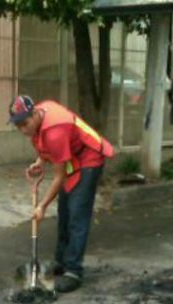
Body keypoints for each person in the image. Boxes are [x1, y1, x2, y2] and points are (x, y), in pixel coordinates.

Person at [9, 95, 115, 293]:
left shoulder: (55, 130)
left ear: (34, 114)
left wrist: (41, 206)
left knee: (77, 213)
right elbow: (44, 145)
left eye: (25, 124)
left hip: (88, 157)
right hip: (71, 158)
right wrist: (40, 162)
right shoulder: (40, 114)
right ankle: (61, 261)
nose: (23, 130)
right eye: (18, 126)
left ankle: (73, 271)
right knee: (64, 211)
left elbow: (58, 177)